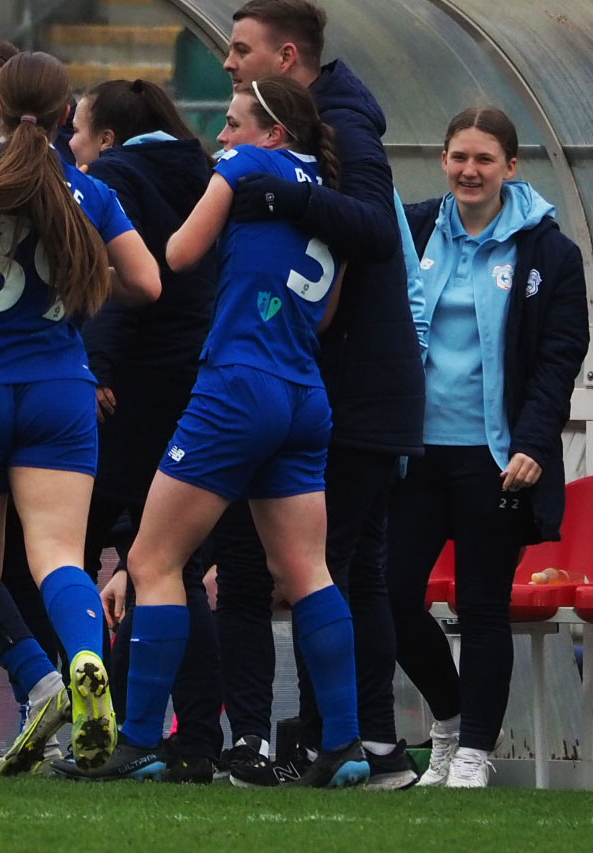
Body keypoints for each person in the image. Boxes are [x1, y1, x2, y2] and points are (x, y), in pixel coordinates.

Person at [59, 76, 366, 789]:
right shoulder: (334, 196)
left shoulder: (245, 167)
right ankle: (345, 745)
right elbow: (322, 316)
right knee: (308, 570)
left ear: (272, 133)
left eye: (233, 123)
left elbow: (178, 254)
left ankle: (138, 740)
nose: (221, 139)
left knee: (152, 560)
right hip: (302, 390)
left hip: (237, 384)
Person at [0, 51, 161, 789]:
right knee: (58, 555)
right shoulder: (88, 190)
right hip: (60, 386)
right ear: (67, 114)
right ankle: (85, 659)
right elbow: (147, 283)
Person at [209, 0, 426, 789]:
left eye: (240, 51)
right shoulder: (314, 126)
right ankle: (363, 745)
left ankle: (289, 743)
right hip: (334, 388)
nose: (229, 64)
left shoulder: (340, 125)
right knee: (338, 570)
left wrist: (276, 194)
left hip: (334, 389)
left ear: (287, 56)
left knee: (282, 566)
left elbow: (373, 226)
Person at [390, 105, 589, 790]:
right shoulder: (412, 229)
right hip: (412, 453)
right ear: (443, 162)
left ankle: (475, 749)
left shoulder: (549, 252)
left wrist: (535, 441)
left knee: (481, 605)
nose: (469, 170)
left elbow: (559, 357)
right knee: (389, 594)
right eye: (458, 157)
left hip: (496, 459)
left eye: (484, 159)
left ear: (511, 166)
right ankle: (447, 721)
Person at [59, 79, 223, 783]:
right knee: (176, 569)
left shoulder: (118, 176)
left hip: (127, 393)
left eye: (79, 130)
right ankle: (196, 739)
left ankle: (96, 726)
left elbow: (118, 278)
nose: (72, 144)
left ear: (107, 138)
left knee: (63, 560)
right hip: (196, 384)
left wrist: (94, 366)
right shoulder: (204, 171)